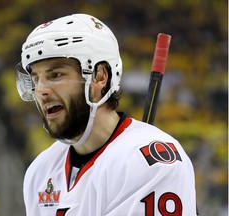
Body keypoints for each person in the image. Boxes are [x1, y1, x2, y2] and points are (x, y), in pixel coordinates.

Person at [15, 13, 197, 216]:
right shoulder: (41, 170)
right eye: (36, 79)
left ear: (99, 76)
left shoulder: (151, 160)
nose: (41, 90)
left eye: (55, 75)